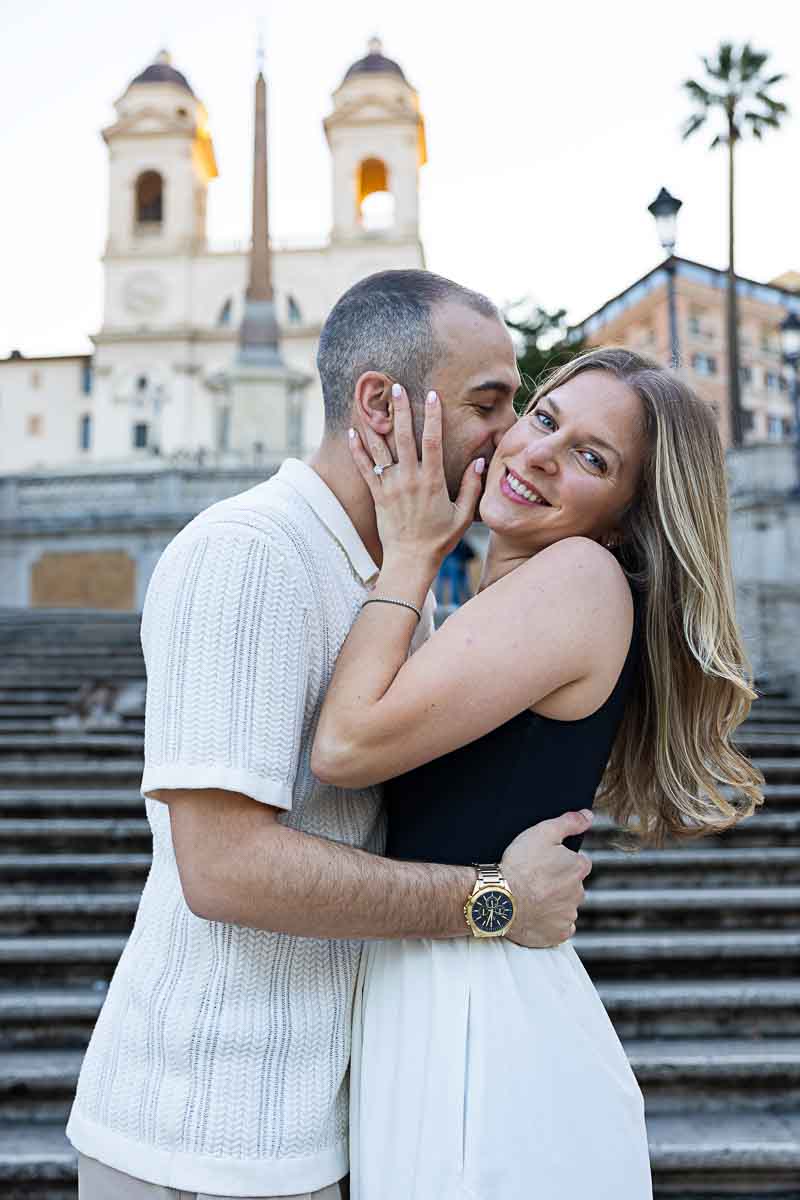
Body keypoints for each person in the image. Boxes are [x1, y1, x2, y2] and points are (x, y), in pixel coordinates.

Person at [66, 271, 596, 1200]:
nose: (509, 435)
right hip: (203, 1133)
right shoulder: (252, 553)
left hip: (318, 1125)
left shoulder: (394, 574)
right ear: (381, 405)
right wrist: (493, 901)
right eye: (489, 403)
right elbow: (224, 867)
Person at [312, 347, 764, 1199]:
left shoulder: (581, 578)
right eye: (547, 418)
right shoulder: (512, 596)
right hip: (449, 995)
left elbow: (345, 747)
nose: (541, 454)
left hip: (479, 1017)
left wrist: (410, 550)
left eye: (594, 458)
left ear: (627, 517)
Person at [435, 537, 476, 606]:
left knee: (452, 583)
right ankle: (454, 603)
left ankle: (442, 603)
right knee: (457, 583)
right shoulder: (460, 539)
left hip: (451, 560)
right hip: (455, 561)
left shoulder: (456, 539)